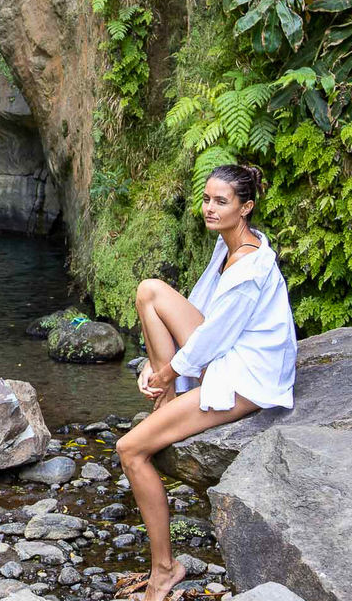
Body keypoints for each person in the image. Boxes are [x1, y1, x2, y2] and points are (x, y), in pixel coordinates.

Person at [112, 164, 296, 601]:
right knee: (149, 290)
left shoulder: (250, 267)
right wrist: (157, 371)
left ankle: (165, 570)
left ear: (245, 207)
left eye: (221, 201)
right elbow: (198, 308)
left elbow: (212, 339)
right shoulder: (227, 245)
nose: (209, 209)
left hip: (246, 377)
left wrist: (166, 370)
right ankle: (168, 399)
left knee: (131, 449)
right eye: (207, 199)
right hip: (227, 354)